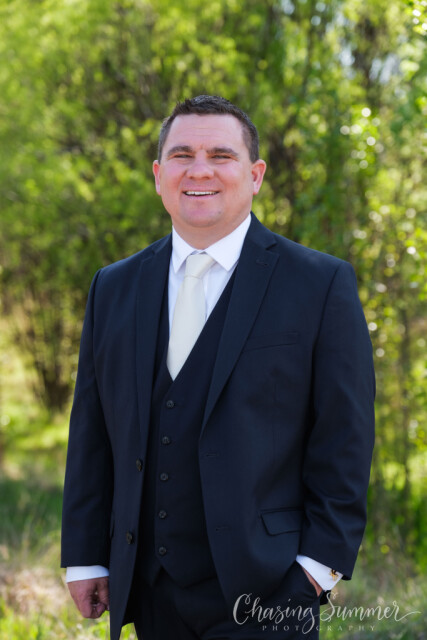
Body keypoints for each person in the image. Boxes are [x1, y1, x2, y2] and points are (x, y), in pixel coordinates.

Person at [61, 95, 375, 640]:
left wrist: (317, 569)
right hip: (149, 590)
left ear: (255, 175)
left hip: (273, 588)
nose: (199, 170)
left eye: (221, 155)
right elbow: (92, 428)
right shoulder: (113, 286)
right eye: (182, 155)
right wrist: (86, 556)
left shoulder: (319, 283)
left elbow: (345, 436)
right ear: (158, 176)